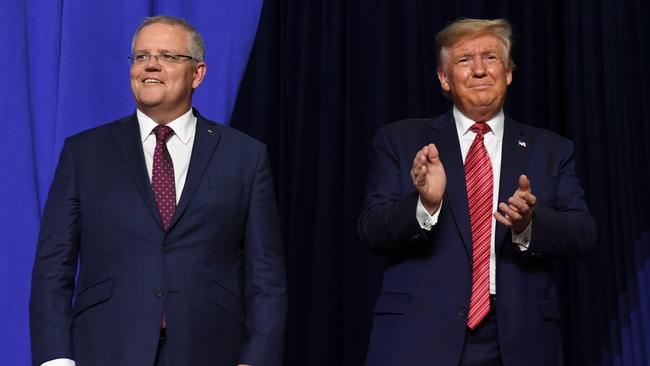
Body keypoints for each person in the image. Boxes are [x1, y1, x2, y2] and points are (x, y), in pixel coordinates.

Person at [29, 15, 286, 366]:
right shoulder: (84, 153)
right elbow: (52, 268)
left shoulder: (245, 155)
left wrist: (257, 357)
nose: (150, 64)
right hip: (106, 348)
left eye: (168, 56)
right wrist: (56, 358)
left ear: (197, 73)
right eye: (141, 56)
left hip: (211, 349)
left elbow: (266, 275)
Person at [358, 18, 596, 366]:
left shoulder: (552, 149)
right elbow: (371, 231)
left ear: (509, 73)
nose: (480, 70)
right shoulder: (401, 141)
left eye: (491, 58)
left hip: (521, 341)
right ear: (444, 79)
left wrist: (529, 224)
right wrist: (425, 204)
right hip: (419, 337)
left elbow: (584, 234)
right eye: (465, 60)